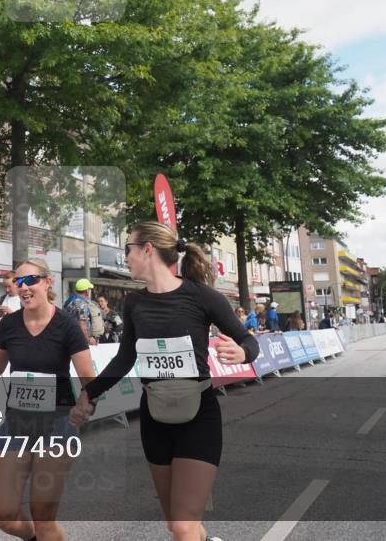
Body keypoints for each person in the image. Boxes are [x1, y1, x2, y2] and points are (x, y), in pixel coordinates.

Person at [71, 222, 259, 541]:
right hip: (155, 418)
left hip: (198, 415)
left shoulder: (203, 297)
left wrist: (242, 352)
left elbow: (249, 341)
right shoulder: (134, 303)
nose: (125, 257)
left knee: (183, 528)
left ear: (147, 249)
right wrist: (89, 394)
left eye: (127, 249)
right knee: (178, 524)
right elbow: (125, 358)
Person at [0, 259, 96, 541]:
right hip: (17, 423)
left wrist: (86, 405)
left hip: (57, 424)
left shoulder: (66, 325)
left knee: (43, 515)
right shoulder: (9, 325)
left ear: (48, 282)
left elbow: (88, 377)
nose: (24, 288)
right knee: (1, 510)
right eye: (19, 282)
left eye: (31, 281)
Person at [63, 278, 104, 346]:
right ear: (86, 291)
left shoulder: (71, 302)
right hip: (78, 340)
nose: (90, 291)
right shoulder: (81, 304)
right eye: (89, 289)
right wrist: (89, 338)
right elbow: (82, 323)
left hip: (69, 337)